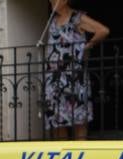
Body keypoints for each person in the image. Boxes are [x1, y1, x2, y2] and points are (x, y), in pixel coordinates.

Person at [43, 0, 109, 140]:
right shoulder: (52, 21)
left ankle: (79, 157)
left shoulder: (77, 18)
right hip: (54, 80)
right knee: (58, 123)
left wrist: (87, 46)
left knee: (79, 120)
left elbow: (103, 30)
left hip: (74, 78)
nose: (51, 1)